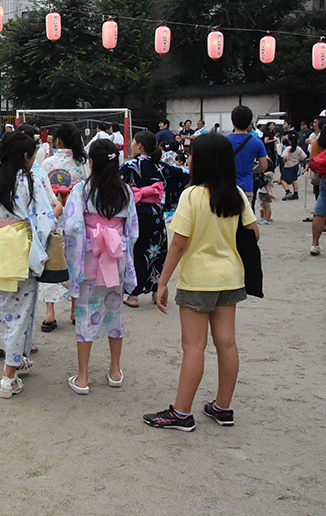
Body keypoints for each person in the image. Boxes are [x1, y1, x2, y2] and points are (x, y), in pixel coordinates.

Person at [144, 133, 258, 432]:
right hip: (230, 277)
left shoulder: (192, 196)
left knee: (194, 347)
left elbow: (179, 244)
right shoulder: (236, 194)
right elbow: (254, 233)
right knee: (227, 343)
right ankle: (223, 407)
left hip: (198, 280)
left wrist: (163, 282)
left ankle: (181, 413)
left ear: (202, 161)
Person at [0, 131, 61, 398]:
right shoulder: (29, 180)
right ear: (27, 156)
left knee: (1, 307)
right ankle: (8, 375)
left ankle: (16, 358)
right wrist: (56, 215)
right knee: (22, 312)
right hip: (22, 249)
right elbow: (43, 220)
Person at [62, 138, 138, 394]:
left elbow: (72, 226)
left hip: (91, 257)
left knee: (85, 312)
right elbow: (133, 231)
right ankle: (115, 370)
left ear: (91, 162)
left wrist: (81, 246)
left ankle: (83, 377)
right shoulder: (126, 191)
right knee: (115, 313)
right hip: (116, 255)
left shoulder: (82, 191)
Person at [119, 130, 188, 308]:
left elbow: (115, 186)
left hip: (137, 215)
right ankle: (157, 289)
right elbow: (183, 175)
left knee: (137, 251)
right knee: (156, 251)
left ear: (139, 145)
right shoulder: (162, 166)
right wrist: (170, 202)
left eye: (133, 142)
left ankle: (133, 295)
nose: (132, 145)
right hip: (156, 215)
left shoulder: (129, 166)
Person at [39, 123, 88, 332]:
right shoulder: (81, 164)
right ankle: (75, 309)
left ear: (57, 141)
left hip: (53, 218)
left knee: (50, 263)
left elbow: (41, 190)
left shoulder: (48, 163)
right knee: (75, 263)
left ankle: (50, 313)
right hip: (75, 219)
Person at [225, 105, 269, 206]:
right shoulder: (257, 142)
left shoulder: (224, 141)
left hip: (227, 186)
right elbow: (264, 165)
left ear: (232, 121)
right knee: (245, 218)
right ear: (250, 123)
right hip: (246, 186)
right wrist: (252, 170)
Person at [279, 135, 306, 200]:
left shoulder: (288, 149)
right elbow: (303, 157)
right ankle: (296, 193)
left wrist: (284, 162)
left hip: (288, 165)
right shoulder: (298, 148)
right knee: (294, 179)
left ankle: (288, 191)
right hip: (295, 165)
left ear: (290, 141)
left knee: (282, 179)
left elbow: (285, 157)